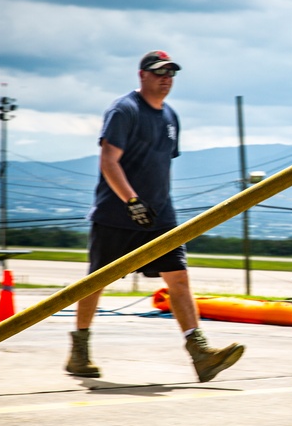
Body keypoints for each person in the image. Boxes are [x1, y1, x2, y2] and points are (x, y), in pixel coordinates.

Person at [66, 50, 245, 382]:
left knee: (178, 279)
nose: (166, 77)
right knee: (96, 283)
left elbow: (159, 166)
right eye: (159, 71)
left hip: (161, 216)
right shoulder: (125, 110)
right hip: (116, 215)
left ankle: (200, 353)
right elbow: (109, 161)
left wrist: (155, 205)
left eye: (171, 73)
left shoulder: (170, 117)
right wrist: (132, 202)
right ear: (142, 75)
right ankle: (79, 351)